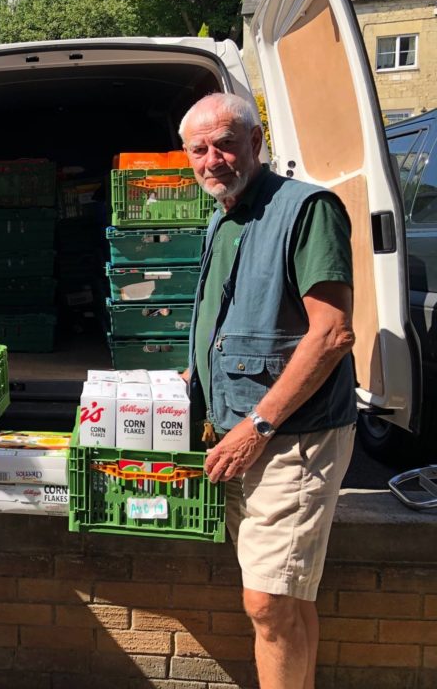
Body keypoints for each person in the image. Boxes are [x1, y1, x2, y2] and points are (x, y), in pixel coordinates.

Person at [180, 93, 356, 689]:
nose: (212, 159)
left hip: (292, 435)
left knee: (267, 601)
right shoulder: (223, 217)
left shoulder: (306, 209)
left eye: (225, 144)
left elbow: (332, 334)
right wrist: (193, 380)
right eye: (199, 149)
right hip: (241, 431)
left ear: (256, 142)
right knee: (287, 597)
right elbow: (227, 321)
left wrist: (258, 425)